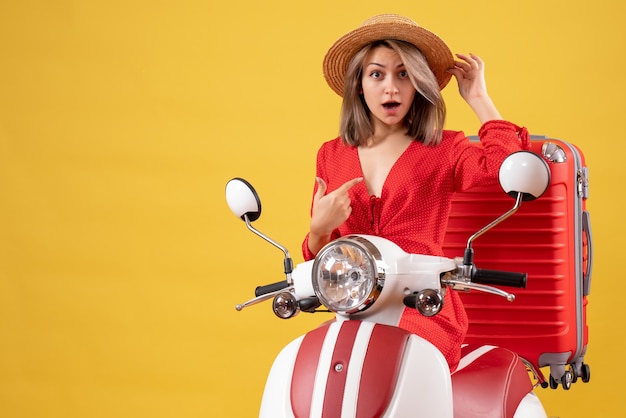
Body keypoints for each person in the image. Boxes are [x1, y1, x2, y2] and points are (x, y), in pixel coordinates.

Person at [301, 14, 530, 372]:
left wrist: (479, 98)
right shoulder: (330, 155)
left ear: (418, 84)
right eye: (377, 74)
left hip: (424, 307)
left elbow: (506, 171)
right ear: (359, 85)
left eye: (403, 74)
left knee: (394, 363)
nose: (391, 88)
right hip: (356, 311)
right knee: (312, 364)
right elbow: (316, 262)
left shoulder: (444, 147)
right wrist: (319, 229)